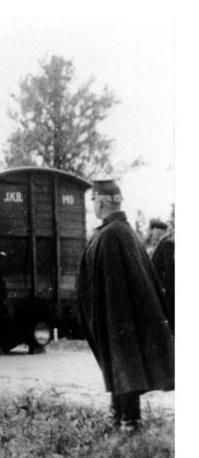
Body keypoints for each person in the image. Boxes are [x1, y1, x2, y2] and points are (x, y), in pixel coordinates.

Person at [77, 179, 174, 431]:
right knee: (120, 363)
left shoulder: (112, 234)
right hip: (118, 316)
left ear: (100, 202)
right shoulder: (123, 231)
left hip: (117, 317)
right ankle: (122, 418)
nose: (94, 207)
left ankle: (128, 421)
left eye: (94, 201)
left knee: (123, 362)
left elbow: (113, 287)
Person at [151, 227, 175, 334]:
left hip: (168, 290)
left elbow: (169, 270)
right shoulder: (165, 242)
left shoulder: (167, 243)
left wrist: (164, 288)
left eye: (154, 231)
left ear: (158, 231)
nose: (152, 235)